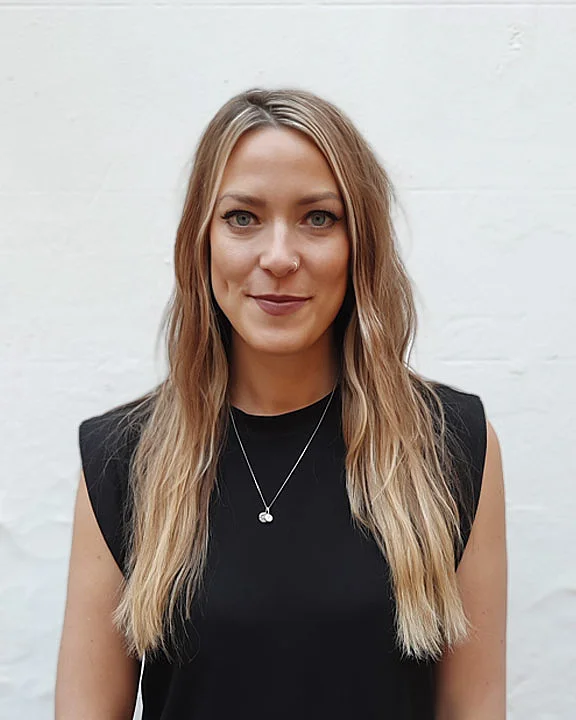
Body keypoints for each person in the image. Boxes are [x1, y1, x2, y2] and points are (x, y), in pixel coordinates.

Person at [55, 87, 507, 719]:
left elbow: (476, 709)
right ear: (201, 241)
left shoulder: (451, 443)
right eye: (242, 217)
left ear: (360, 245)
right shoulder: (120, 458)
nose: (278, 257)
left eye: (318, 217)